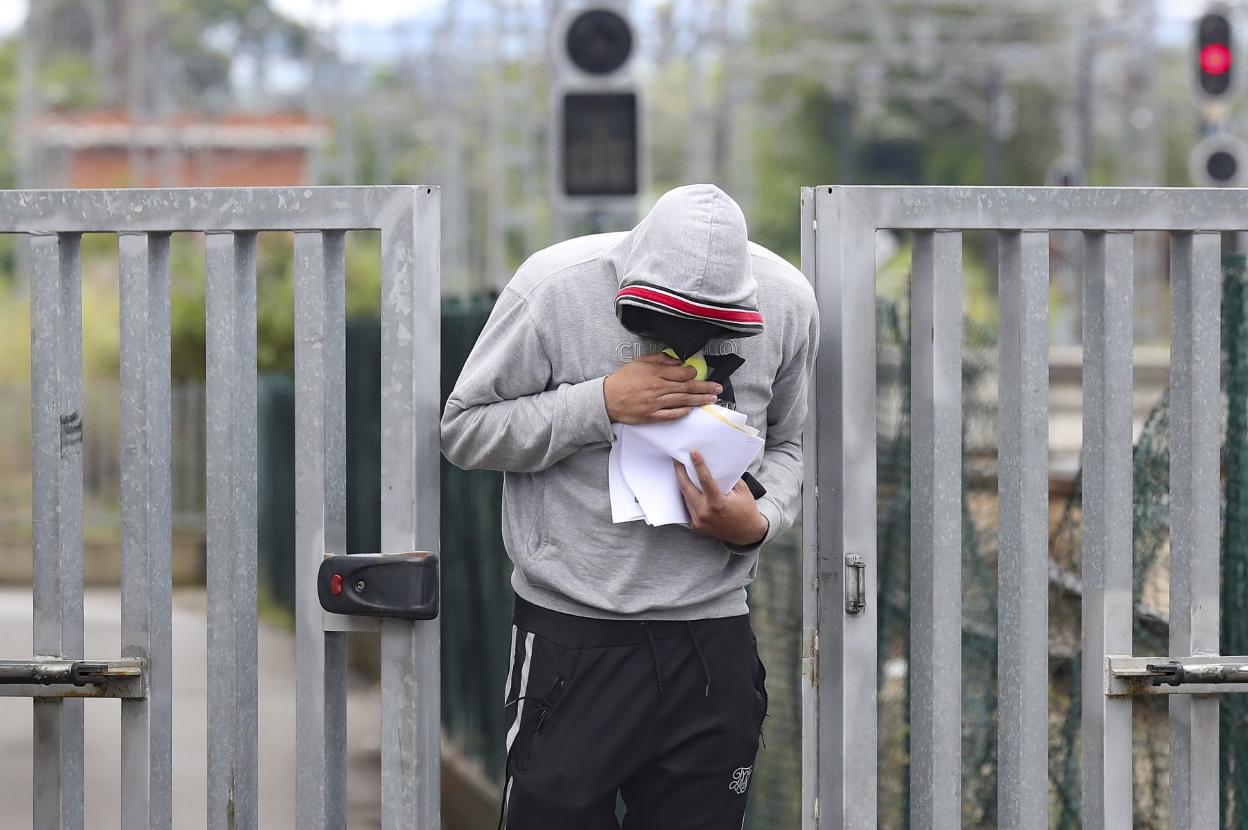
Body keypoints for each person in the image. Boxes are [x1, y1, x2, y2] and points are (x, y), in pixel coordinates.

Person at [440, 184, 818, 829]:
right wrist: (601, 403)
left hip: (711, 638)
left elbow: (792, 443)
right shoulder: (555, 286)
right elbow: (465, 430)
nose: (684, 339)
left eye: (710, 326)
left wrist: (757, 518)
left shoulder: (788, 301)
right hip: (572, 634)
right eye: (662, 323)